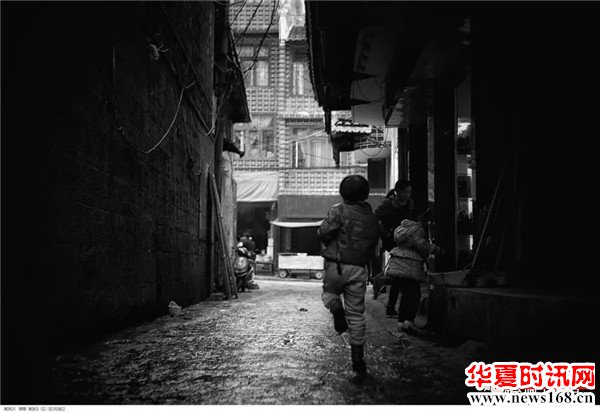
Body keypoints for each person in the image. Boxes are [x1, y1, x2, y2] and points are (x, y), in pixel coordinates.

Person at [318, 175, 380, 380]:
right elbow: (374, 246)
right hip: (359, 268)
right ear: (366, 194)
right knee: (356, 314)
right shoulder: (372, 218)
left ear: (342, 194)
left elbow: (323, 232)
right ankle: (358, 360)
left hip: (335, 266)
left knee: (329, 293)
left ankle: (336, 308)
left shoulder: (338, 210)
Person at [387, 210, 444, 332]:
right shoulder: (417, 230)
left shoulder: (403, 229)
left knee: (405, 296)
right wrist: (436, 249)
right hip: (409, 265)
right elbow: (421, 243)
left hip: (397, 263)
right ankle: (409, 321)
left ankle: (401, 322)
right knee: (415, 295)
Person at [373, 180, 415, 316]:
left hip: (405, 241)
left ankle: (392, 307)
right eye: (405, 192)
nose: (408, 194)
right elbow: (374, 219)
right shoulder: (388, 204)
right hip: (392, 241)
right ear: (398, 192)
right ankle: (393, 307)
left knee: (399, 274)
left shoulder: (409, 204)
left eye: (409, 192)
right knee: (399, 274)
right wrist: (385, 233)